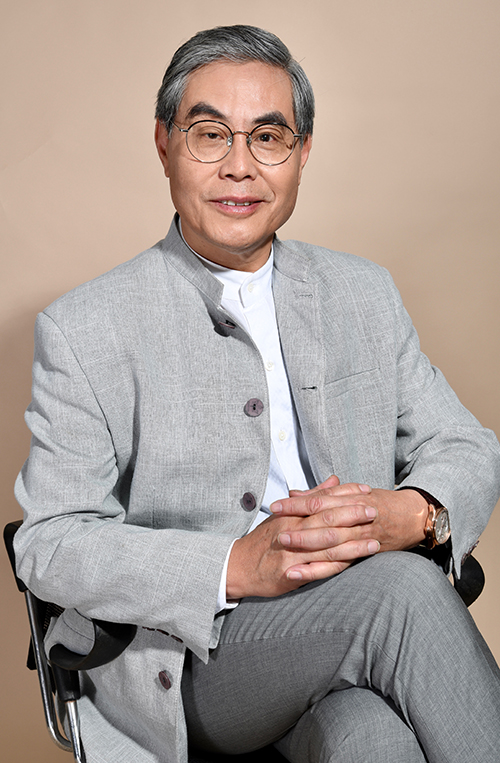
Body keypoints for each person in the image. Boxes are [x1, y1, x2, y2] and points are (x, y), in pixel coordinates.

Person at [13, 24, 500, 763]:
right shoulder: (87, 327)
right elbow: (50, 542)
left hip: (345, 632)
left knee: (372, 741)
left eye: (268, 138)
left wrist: (414, 512)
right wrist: (236, 565)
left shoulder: (362, 293)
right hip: (196, 659)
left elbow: (464, 444)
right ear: (164, 144)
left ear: (302, 154)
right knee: (400, 591)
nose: (238, 166)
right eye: (210, 134)